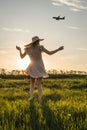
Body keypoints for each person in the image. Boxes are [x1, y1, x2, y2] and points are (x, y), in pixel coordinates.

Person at [16, 36, 64, 102]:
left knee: (32, 82)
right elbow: (50, 53)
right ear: (37, 41)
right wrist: (58, 49)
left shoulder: (28, 49)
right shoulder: (39, 47)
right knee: (38, 83)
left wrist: (20, 50)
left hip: (33, 65)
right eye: (38, 41)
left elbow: (21, 57)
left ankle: (32, 97)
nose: (39, 42)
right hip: (38, 66)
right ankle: (38, 98)